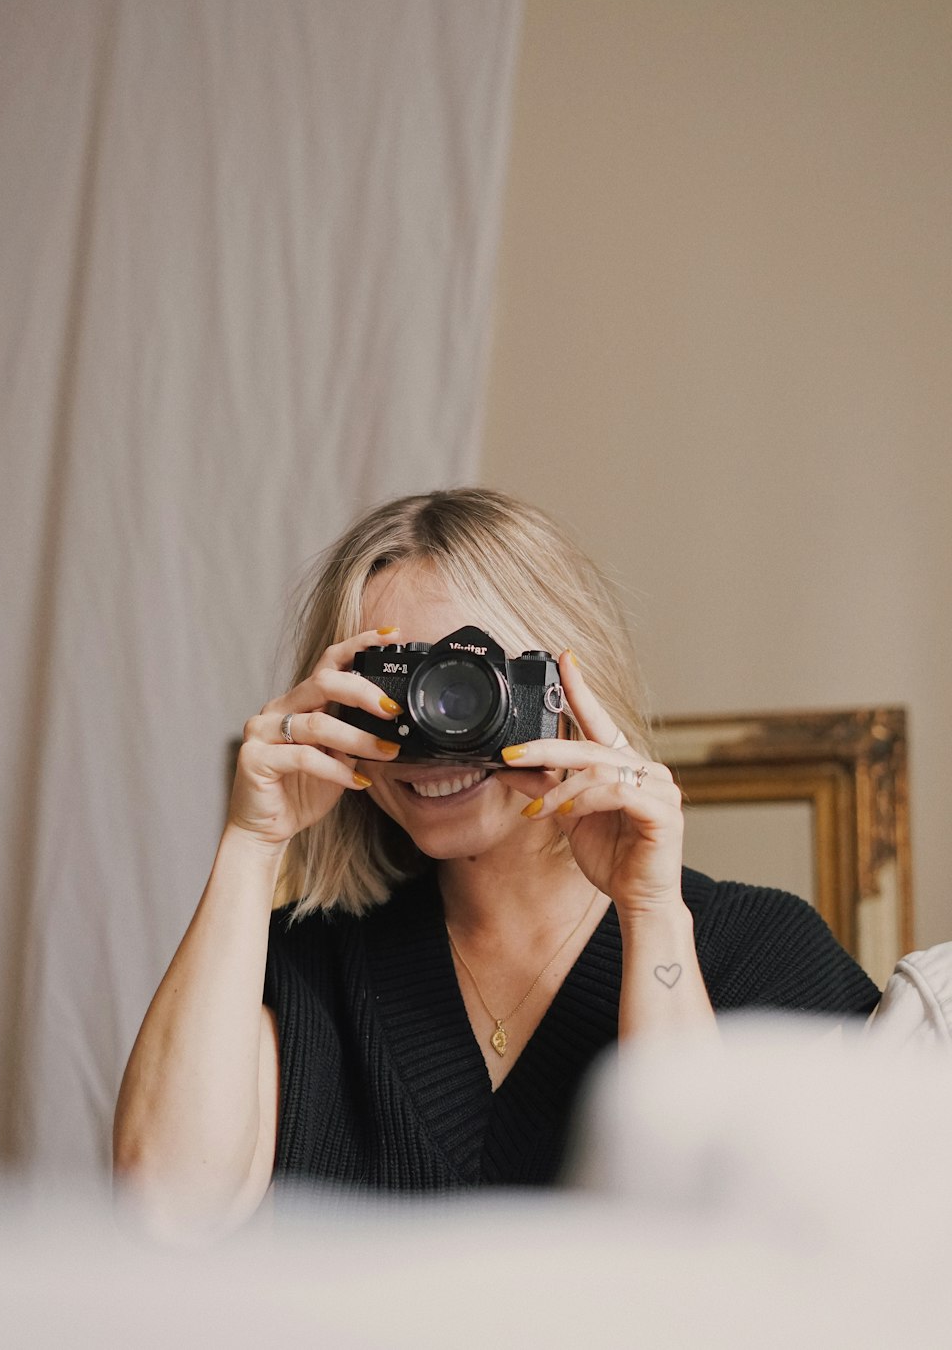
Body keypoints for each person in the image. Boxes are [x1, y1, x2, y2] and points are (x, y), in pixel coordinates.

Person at [113, 488, 880, 1232]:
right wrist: (252, 843)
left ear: (564, 689)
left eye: (467, 684)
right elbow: (168, 1209)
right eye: (393, 689)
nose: (434, 729)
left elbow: (706, 1247)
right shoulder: (304, 965)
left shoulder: (764, 951)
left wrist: (651, 916)